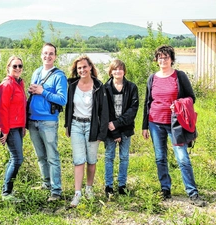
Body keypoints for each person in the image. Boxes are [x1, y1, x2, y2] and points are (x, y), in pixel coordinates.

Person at [141, 45, 206, 207]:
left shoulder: (179, 76)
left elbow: (191, 97)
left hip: (176, 124)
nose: (163, 60)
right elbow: (147, 102)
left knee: (182, 158)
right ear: (156, 60)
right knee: (160, 157)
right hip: (155, 123)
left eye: (166, 57)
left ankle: (192, 193)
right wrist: (144, 126)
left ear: (171, 59)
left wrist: (177, 104)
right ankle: (165, 189)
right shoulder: (152, 78)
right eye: (160, 57)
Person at [64, 55, 109, 207]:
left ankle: (89, 188)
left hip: (92, 126)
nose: (82, 70)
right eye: (79, 68)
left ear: (90, 67)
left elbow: (104, 111)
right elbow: (68, 107)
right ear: (76, 71)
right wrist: (67, 125)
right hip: (76, 125)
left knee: (91, 160)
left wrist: (102, 133)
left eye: (84, 67)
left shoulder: (98, 86)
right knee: (78, 160)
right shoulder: (72, 86)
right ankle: (77, 193)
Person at [27, 43, 68, 202]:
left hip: (48, 121)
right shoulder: (37, 72)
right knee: (40, 156)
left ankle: (56, 190)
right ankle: (46, 183)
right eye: (45, 53)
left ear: (55, 56)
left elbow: (62, 99)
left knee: (52, 157)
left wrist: (42, 92)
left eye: (51, 54)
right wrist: (32, 90)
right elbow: (34, 92)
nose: (48, 56)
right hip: (33, 119)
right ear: (41, 54)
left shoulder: (59, 76)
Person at [103, 59, 139, 198]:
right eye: (114, 69)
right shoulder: (105, 88)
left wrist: (118, 125)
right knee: (109, 157)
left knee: (124, 157)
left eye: (120, 69)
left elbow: (133, 110)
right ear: (111, 72)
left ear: (124, 71)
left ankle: (122, 185)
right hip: (109, 129)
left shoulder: (132, 87)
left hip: (126, 128)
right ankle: (109, 186)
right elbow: (104, 111)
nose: (117, 71)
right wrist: (114, 130)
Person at [0, 56, 27, 203]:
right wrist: (5, 130)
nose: (17, 69)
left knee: (14, 159)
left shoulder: (19, 83)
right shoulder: (7, 84)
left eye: (20, 66)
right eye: (14, 66)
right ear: (8, 67)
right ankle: (6, 192)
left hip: (18, 127)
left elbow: (21, 107)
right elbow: (2, 109)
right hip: (10, 128)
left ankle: (7, 191)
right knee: (17, 159)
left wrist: (23, 125)